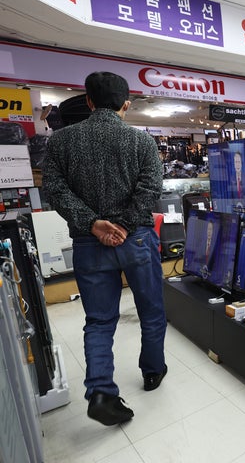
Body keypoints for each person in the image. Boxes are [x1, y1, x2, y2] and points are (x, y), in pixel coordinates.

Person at [42, 71, 167, 426]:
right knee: (152, 311)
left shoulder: (61, 142)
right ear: (125, 105)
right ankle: (153, 371)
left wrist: (93, 224)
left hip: (88, 241)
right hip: (137, 238)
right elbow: (150, 189)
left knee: (98, 321)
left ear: (90, 101)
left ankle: (100, 391)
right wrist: (125, 225)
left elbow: (54, 189)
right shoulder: (142, 142)